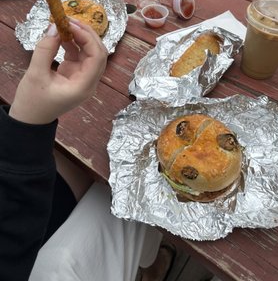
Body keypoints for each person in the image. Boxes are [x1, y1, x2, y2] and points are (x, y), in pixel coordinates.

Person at [0, 19, 174, 281]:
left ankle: (149, 261)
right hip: (18, 243)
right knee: (131, 186)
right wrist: (28, 121)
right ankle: (150, 265)